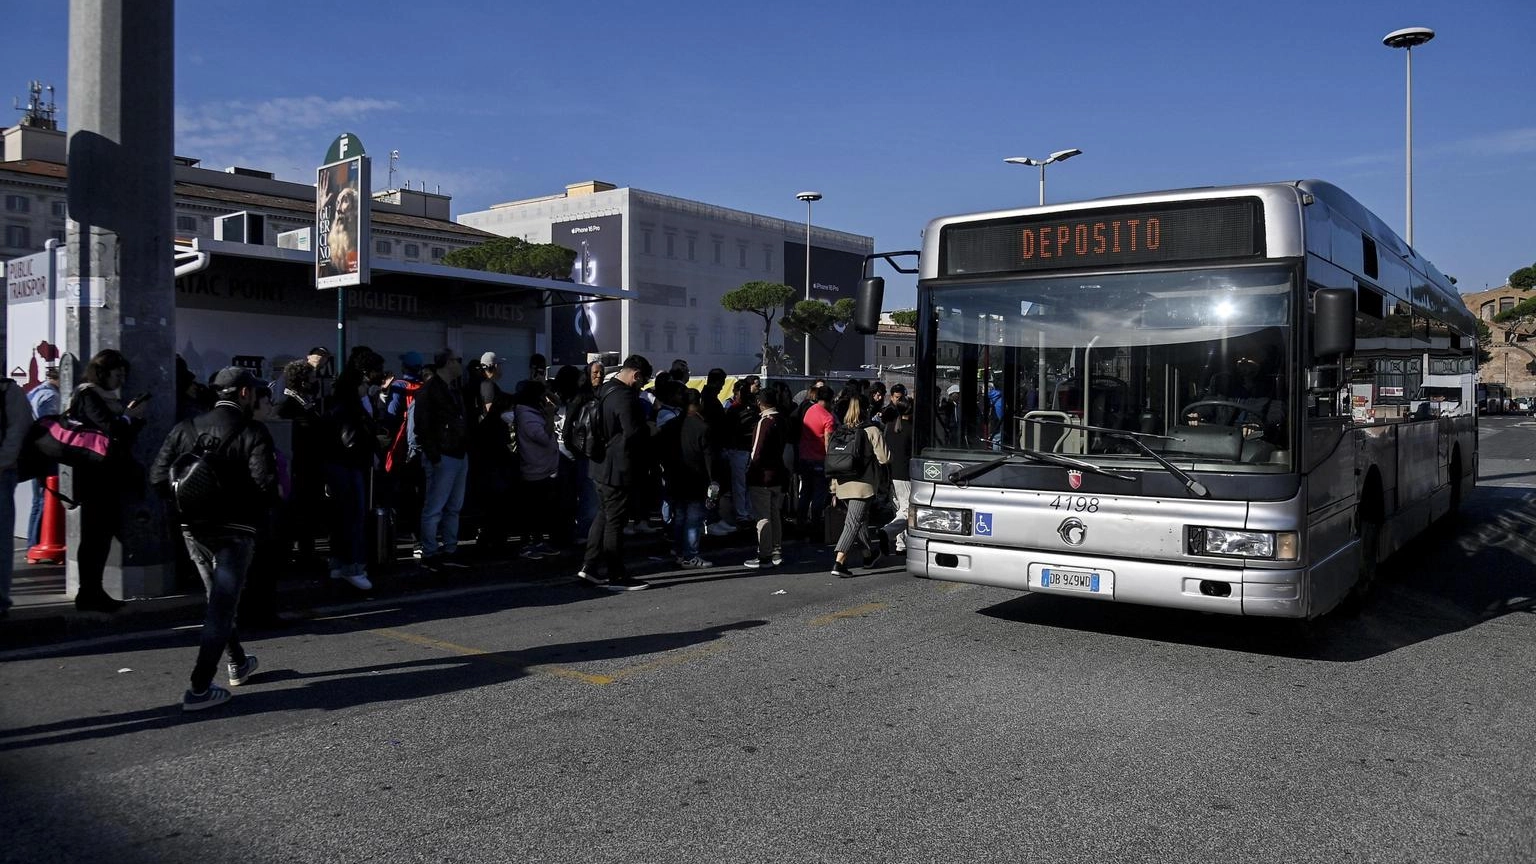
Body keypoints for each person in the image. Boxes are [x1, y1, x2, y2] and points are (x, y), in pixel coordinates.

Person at [149, 367, 279, 711]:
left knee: (218, 601)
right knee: (221, 607)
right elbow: (265, 487)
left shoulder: (186, 428)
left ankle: (237, 661)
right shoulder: (254, 432)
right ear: (244, 394)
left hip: (193, 528)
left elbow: (158, 477)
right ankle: (199, 688)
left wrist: (192, 496)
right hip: (235, 531)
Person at [69, 349, 149, 612]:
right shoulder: (88, 394)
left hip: (108, 476)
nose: (120, 380)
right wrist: (128, 417)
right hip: (95, 477)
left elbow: (120, 436)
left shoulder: (103, 397)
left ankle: (94, 590)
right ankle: (88, 592)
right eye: (117, 374)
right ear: (103, 372)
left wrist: (133, 420)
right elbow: (108, 429)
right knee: (94, 536)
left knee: (101, 536)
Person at [577, 354, 654, 591]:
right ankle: (615, 573)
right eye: (642, 382)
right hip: (618, 468)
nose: (641, 387)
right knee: (615, 521)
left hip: (600, 464)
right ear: (636, 375)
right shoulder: (625, 397)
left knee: (603, 516)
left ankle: (589, 567)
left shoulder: (606, 389)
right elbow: (633, 433)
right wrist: (650, 430)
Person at [321, 364, 378, 591]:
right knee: (354, 517)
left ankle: (338, 563)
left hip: (336, 466)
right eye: (363, 383)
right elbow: (352, 441)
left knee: (340, 518)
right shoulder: (351, 409)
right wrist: (372, 446)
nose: (367, 386)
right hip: (350, 466)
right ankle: (353, 566)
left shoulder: (335, 404)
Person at [412, 351, 468, 567]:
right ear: (447, 363)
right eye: (456, 360)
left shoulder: (452, 389)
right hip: (444, 453)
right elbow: (422, 426)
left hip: (456, 452)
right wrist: (434, 455)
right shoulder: (430, 391)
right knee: (435, 506)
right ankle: (430, 551)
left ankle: (449, 548)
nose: (459, 364)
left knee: (453, 505)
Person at [830, 392, 891, 577]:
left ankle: (868, 555)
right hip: (862, 485)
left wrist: (833, 489)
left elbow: (833, 461)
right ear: (867, 409)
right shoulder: (871, 430)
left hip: (842, 483)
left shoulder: (840, 431)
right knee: (853, 522)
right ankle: (839, 562)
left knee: (860, 520)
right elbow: (885, 458)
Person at [662, 389, 716, 568]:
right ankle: (690, 554)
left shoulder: (671, 425)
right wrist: (712, 480)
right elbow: (708, 457)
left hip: (675, 477)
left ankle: (678, 551)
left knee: (680, 517)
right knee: (693, 520)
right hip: (695, 478)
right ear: (698, 402)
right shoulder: (702, 427)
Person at [513, 379, 561, 559]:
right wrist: (548, 417)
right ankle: (529, 544)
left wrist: (549, 395)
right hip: (534, 467)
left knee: (540, 510)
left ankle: (538, 541)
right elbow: (541, 436)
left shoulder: (532, 411)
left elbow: (558, 405)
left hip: (542, 466)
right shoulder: (526, 415)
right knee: (533, 510)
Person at [743, 388, 789, 569]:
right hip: (778, 473)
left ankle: (764, 554)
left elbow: (756, 451)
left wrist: (750, 470)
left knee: (763, 517)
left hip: (762, 476)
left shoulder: (765, 422)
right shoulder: (782, 420)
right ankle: (776, 550)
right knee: (775, 514)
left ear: (760, 403)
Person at [0, 372, 33, 618]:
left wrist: (3, 461)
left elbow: (18, 429)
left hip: (2, 473)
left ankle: (0, 600)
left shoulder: (8, 390)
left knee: (1, 539)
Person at [25, 365, 61, 549]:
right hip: (45, 451)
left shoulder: (35, 392)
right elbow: (50, 426)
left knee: (37, 500)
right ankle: (38, 542)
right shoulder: (51, 397)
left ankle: (32, 542)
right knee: (44, 498)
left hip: (34, 450)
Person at [796, 385, 835, 531]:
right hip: (819, 459)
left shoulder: (809, 411)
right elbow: (828, 443)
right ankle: (815, 525)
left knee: (805, 492)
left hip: (804, 457)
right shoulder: (828, 417)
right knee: (819, 494)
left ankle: (800, 524)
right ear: (830, 400)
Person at [879, 402, 913, 554]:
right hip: (905, 474)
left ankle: (901, 544)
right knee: (908, 510)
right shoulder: (911, 429)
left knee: (899, 509)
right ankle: (888, 531)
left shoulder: (888, 428)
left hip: (891, 473)